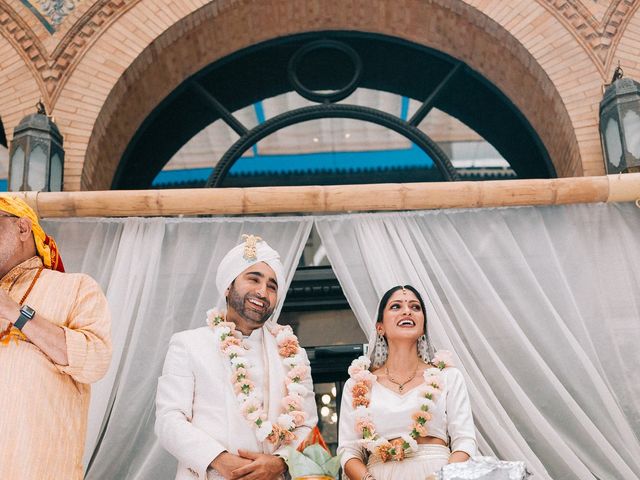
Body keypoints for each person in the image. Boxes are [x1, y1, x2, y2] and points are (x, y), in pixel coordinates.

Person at [155, 234, 318, 480]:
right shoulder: (189, 344)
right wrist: (219, 460)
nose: (262, 292)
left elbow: (307, 425)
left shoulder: (293, 354)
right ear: (228, 285)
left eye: (272, 286)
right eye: (253, 279)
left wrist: (279, 463)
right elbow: (169, 421)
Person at [0, 196, 112, 480]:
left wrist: (15, 312)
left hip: (38, 468)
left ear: (23, 229)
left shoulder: (76, 288)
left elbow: (95, 362)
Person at [338, 285, 477, 480]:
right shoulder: (358, 386)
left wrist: (440, 478)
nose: (407, 311)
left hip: (437, 474)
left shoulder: (448, 377)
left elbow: (465, 443)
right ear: (380, 327)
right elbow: (349, 451)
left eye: (415, 307)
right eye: (396, 306)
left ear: (423, 327)